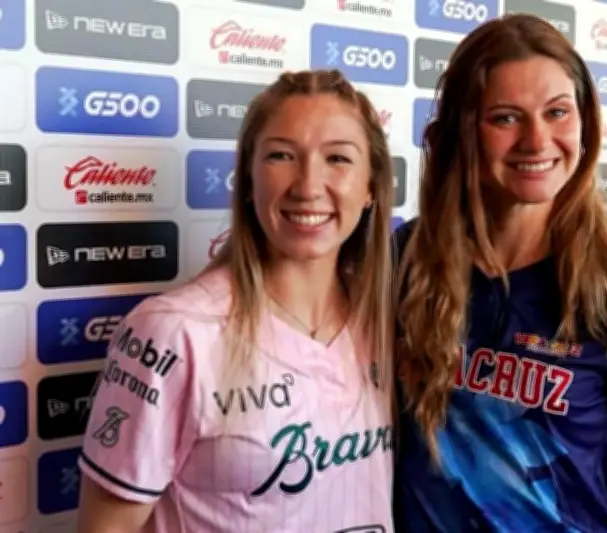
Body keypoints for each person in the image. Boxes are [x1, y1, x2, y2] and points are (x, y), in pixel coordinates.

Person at [392, 13, 607, 533]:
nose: (537, 141)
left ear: (585, 123)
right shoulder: (402, 262)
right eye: (505, 118)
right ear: (461, 131)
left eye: (557, 112)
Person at [76, 69, 396, 533]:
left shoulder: (387, 322)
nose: (308, 186)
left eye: (338, 159)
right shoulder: (173, 333)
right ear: (248, 179)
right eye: (281, 155)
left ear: (370, 188)